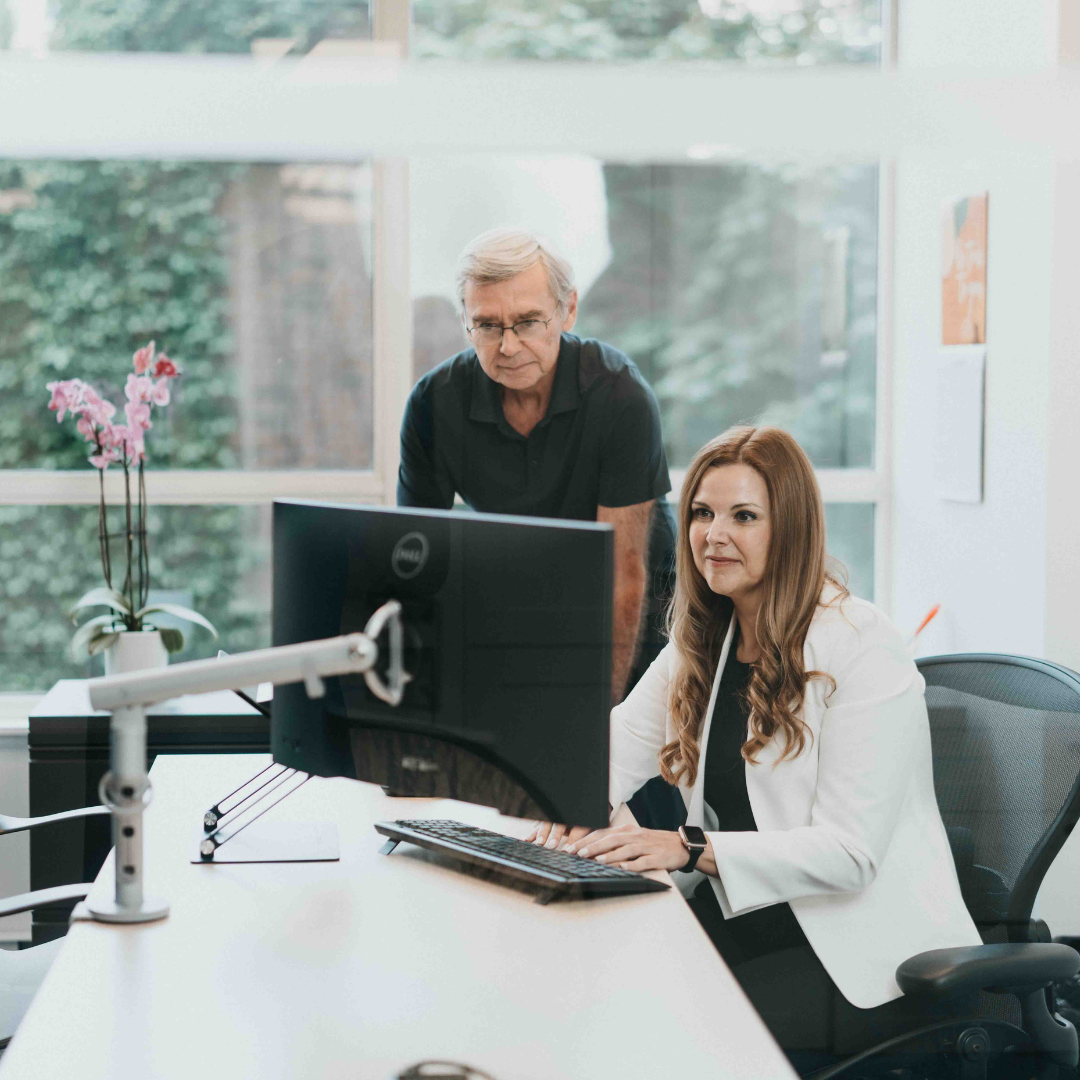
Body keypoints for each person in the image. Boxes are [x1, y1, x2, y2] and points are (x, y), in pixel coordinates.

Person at [530, 425, 981, 1066]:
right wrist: (551, 814)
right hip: (745, 923)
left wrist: (686, 848)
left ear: (789, 529)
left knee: (666, 1042)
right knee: (592, 995)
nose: (715, 535)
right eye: (702, 513)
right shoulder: (704, 640)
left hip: (855, 956)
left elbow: (850, 854)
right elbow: (609, 753)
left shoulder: (861, 642)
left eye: (743, 516)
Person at [398, 228, 675, 702]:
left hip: (638, 606)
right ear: (465, 321)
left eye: (528, 322)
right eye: (487, 325)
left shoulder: (619, 395)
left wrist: (597, 722)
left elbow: (625, 576)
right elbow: (417, 564)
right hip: (527, 596)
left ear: (567, 311)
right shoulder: (433, 403)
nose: (507, 347)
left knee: (622, 764)